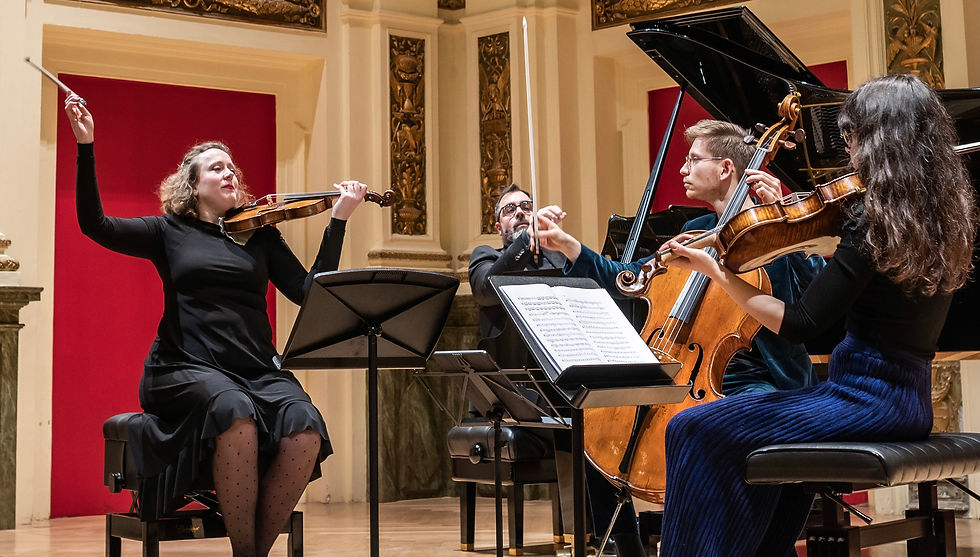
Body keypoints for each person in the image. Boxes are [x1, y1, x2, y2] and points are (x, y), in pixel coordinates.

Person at [656, 74, 979, 556]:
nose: (848, 149)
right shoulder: (940, 214)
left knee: (691, 427)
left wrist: (715, 270)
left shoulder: (872, 217)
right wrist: (784, 226)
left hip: (861, 400)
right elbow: (850, 287)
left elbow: (801, 323)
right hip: (907, 400)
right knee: (757, 447)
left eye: (853, 136)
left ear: (880, 140)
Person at [65, 93, 367, 557]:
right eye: (217, 168)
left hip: (256, 369)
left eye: (232, 168)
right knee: (234, 411)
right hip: (185, 366)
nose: (230, 174)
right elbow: (95, 225)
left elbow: (310, 293)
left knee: (305, 428)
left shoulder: (261, 235)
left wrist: (338, 221)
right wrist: (86, 145)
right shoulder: (167, 231)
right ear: (192, 185)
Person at [536, 119, 826, 395]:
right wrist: (566, 244)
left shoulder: (774, 230)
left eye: (694, 160)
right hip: (691, 372)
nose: (682, 170)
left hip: (761, 382)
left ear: (725, 168)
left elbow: (817, 295)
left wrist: (787, 226)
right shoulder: (694, 231)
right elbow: (631, 279)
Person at [469, 185, 647, 557]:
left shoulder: (560, 261)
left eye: (526, 206)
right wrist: (526, 240)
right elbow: (486, 289)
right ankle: (601, 533)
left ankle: (616, 533)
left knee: (600, 418)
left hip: (564, 381)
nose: (520, 212)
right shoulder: (487, 257)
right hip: (517, 391)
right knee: (579, 418)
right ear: (497, 225)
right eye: (510, 210)